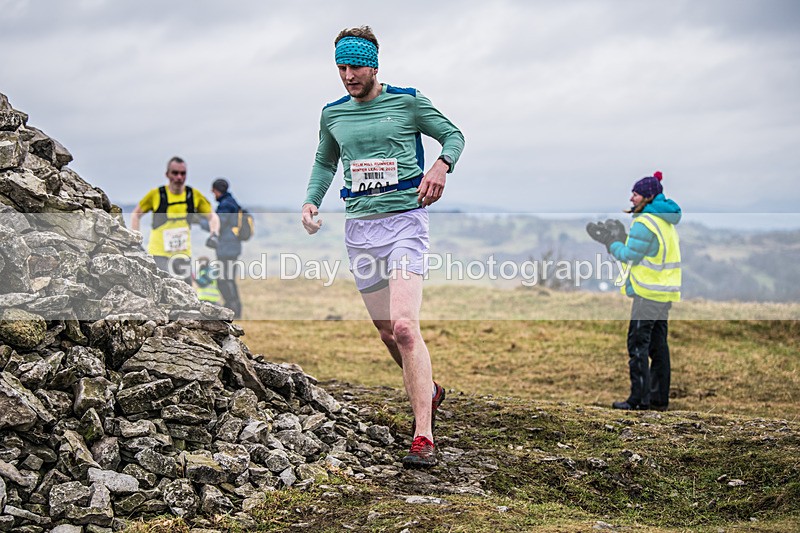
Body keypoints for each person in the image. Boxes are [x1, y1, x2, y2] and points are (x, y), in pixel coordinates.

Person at [301, 26, 464, 468]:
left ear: (374, 64)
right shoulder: (333, 114)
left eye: (355, 66)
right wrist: (312, 201)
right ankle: (428, 391)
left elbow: (453, 136)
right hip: (360, 228)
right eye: (341, 67)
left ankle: (423, 435)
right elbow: (325, 160)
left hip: (405, 223)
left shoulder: (407, 102)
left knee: (406, 327)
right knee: (387, 331)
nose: (348, 75)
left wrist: (441, 166)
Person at [586, 171, 682, 411]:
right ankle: (659, 399)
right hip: (664, 293)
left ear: (648, 196)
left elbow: (629, 256)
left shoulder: (644, 222)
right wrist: (623, 238)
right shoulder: (663, 220)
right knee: (658, 346)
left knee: (637, 344)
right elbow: (646, 248)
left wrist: (611, 243)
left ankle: (638, 400)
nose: (631, 198)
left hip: (647, 294)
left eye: (636, 194)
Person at [131, 156, 220, 284]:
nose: (179, 177)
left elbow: (212, 216)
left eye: (183, 173)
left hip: (183, 255)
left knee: (187, 295)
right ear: (167, 174)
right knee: (162, 291)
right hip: (158, 254)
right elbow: (135, 214)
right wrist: (136, 241)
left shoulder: (194, 195)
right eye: (175, 173)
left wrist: (214, 234)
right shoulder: (156, 194)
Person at [208, 177, 243, 319]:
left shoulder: (225, 205)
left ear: (217, 190)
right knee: (229, 279)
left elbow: (218, 224)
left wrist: (203, 221)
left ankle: (231, 308)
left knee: (223, 279)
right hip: (232, 248)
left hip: (226, 249)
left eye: (213, 191)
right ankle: (235, 309)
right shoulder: (232, 202)